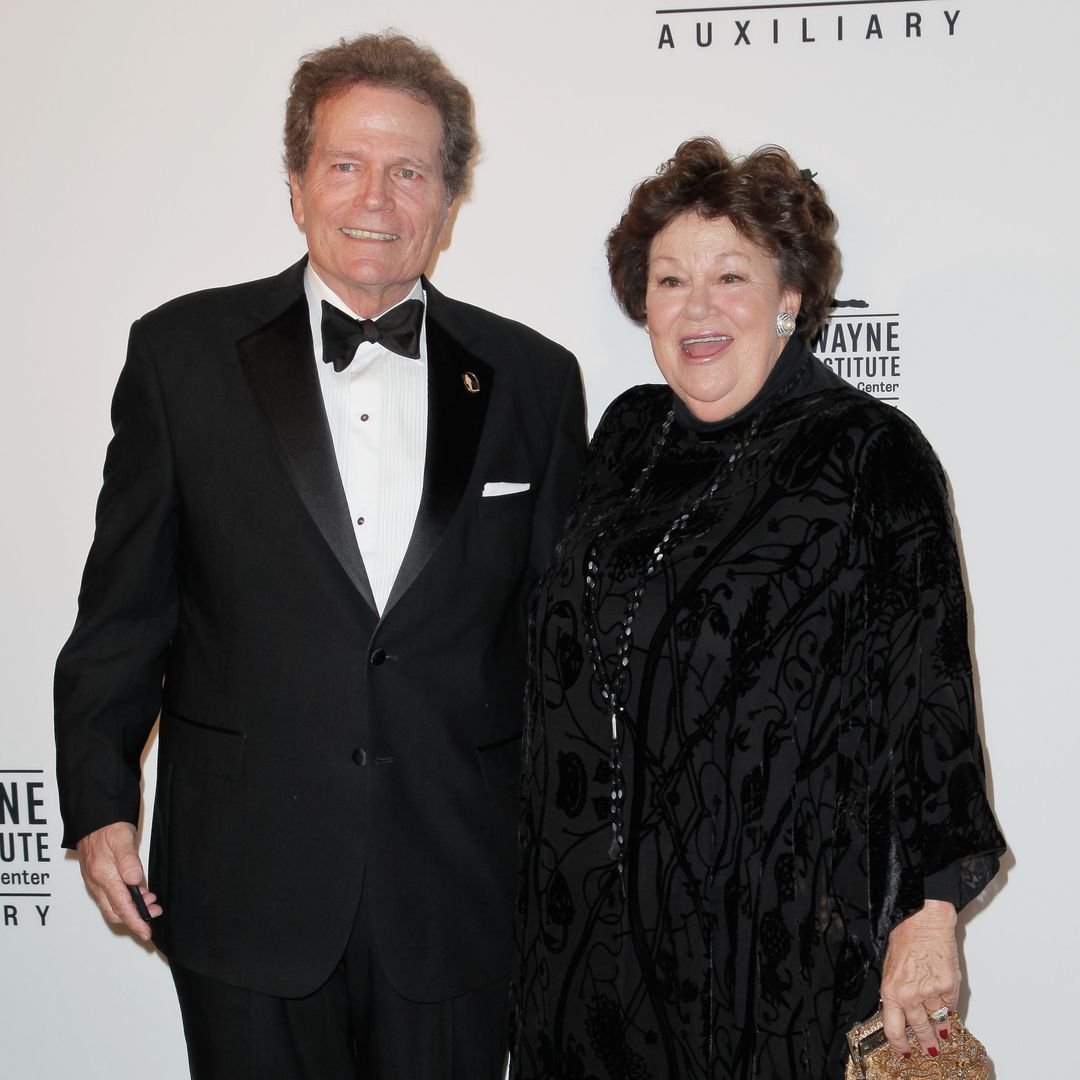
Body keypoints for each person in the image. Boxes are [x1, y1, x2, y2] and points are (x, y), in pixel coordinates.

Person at [54, 32, 587, 1080]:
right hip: (247, 882)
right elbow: (127, 604)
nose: (376, 200)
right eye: (346, 164)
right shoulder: (181, 356)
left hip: (457, 887)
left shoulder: (536, 379)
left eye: (410, 171)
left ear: (448, 197)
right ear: (296, 184)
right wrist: (101, 802)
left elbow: (557, 644)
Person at [511, 138, 1005, 1079]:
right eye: (669, 281)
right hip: (584, 948)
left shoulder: (869, 454)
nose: (697, 308)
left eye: (730, 275)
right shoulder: (624, 438)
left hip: (768, 950)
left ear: (789, 296)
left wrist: (929, 916)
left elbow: (927, 691)